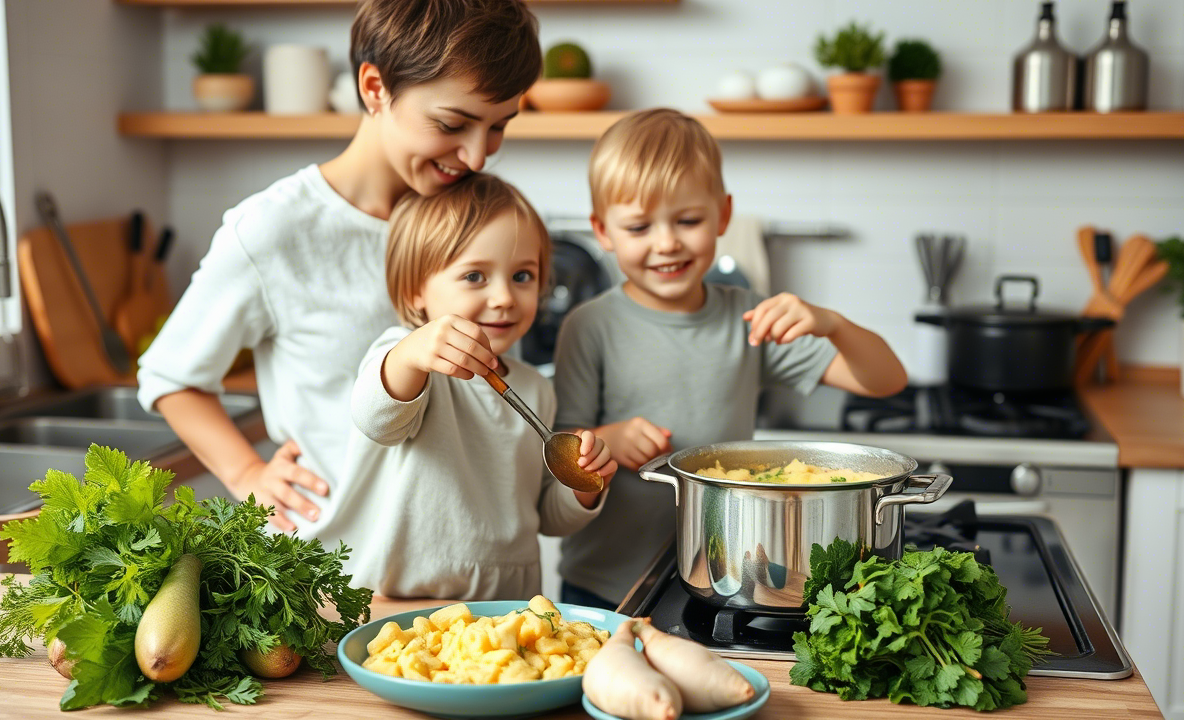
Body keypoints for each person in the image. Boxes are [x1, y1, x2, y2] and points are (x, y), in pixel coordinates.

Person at [135, 0, 541, 534]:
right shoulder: (274, 230)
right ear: (374, 88)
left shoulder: (468, 216)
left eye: (498, 127)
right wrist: (245, 471)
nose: (477, 157)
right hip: (327, 567)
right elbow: (170, 376)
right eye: (452, 124)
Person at [554, 109, 908, 609]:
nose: (667, 242)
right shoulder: (589, 326)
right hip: (603, 583)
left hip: (722, 576)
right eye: (638, 226)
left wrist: (832, 323)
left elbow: (885, 380)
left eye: (689, 220)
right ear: (603, 231)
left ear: (723, 215)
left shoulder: (748, 316)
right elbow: (562, 451)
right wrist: (606, 442)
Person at [338, 174, 616, 598]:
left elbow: (545, 517)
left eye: (522, 276)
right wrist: (412, 354)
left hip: (504, 609)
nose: (505, 296)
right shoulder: (407, 358)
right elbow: (376, 420)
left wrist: (583, 487)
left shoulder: (536, 388)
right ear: (416, 291)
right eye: (474, 277)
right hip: (398, 604)